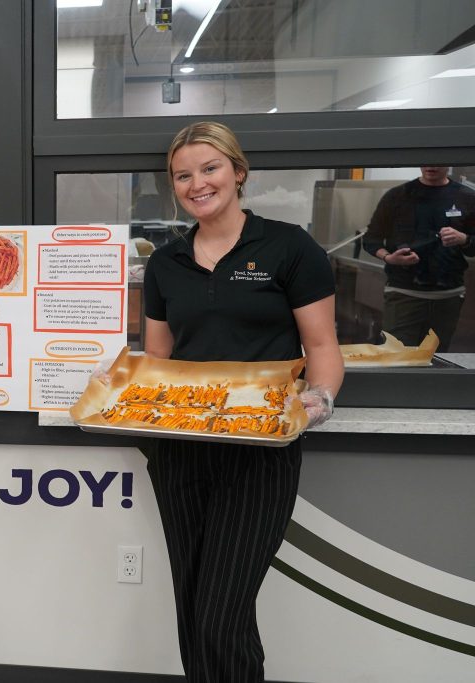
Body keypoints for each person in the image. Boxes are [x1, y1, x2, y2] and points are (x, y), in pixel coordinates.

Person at [141, 122, 344, 682]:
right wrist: (118, 385)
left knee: (220, 614)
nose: (197, 183)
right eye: (183, 175)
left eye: (209, 169)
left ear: (238, 171)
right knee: (193, 606)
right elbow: (158, 361)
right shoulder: (165, 265)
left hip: (259, 452)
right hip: (180, 448)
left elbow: (323, 346)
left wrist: (317, 401)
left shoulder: (288, 246)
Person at [361, 166, 475, 351]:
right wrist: (389, 258)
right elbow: (371, 238)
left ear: (449, 163)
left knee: (437, 360)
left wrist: (465, 239)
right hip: (404, 295)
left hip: (448, 298)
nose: (432, 166)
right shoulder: (397, 196)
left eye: (438, 162)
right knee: (395, 357)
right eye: (427, 161)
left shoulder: (467, 198)